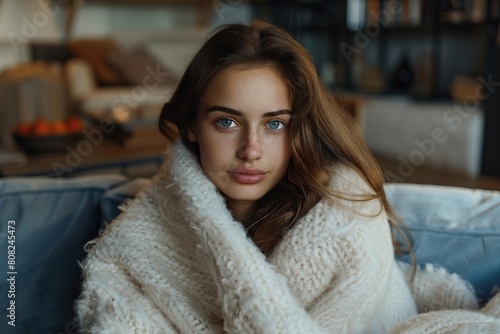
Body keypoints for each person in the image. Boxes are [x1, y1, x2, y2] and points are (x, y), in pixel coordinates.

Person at [76, 21, 494, 333]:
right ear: (191, 127)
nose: (251, 149)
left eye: (274, 124)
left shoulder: (346, 212)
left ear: (300, 129)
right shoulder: (142, 237)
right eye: (227, 122)